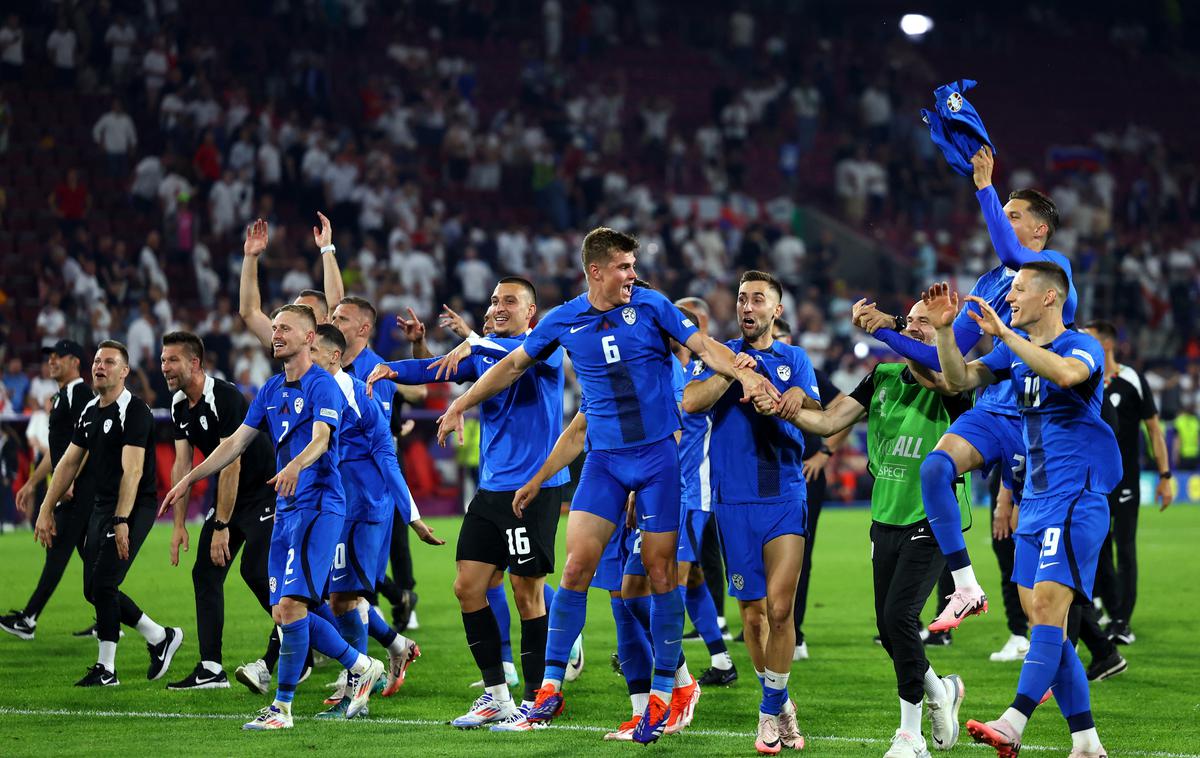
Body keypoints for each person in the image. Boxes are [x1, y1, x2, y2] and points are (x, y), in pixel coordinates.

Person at [439, 227, 778, 743]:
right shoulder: (564, 319)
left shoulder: (652, 305)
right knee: (575, 568)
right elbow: (511, 366)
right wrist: (460, 403)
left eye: (633, 266)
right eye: (623, 267)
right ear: (595, 271)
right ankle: (548, 690)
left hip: (658, 460)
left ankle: (663, 696)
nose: (632, 275)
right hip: (604, 464)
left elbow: (703, 344)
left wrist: (747, 376)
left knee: (661, 575)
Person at [859, 146, 1079, 633]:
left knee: (1039, 576)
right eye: (1001, 212)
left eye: (1012, 214)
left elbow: (1011, 254)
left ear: (1039, 229)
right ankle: (964, 584)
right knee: (935, 469)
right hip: (996, 405)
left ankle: (1068, 656)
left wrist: (984, 185)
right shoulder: (987, 282)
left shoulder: (1054, 269)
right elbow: (948, 358)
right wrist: (887, 329)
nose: (1001, 220)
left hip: (1043, 420)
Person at [161, 305, 385, 730]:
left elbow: (322, 438)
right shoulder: (269, 390)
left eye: (286, 328)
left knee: (288, 605)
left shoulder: (324, 386)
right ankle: (361, 665)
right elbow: (233, 446)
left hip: (319, 506)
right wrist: (187, 480)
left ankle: (282, 709)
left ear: (309, 339)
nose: (277, 333)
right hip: (285, 510)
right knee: (285, 611)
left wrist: (296, 465)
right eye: (275, 327)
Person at [925, 266, 1118, 758]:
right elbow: (957, 379)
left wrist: (1007, 335)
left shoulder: (1081, 346)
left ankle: (1013, 722)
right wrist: (947, 332)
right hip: (1035, 503)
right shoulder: (1013, 349)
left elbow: (1067, 375)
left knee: (1050, 617)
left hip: (1076, 501)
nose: (1008, 297)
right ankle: (1087, 743)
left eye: (1017, 290)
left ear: (1049, 297)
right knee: (1043, 625)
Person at [368, 278, 570, 731]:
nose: (499, 306)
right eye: (495, 300)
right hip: (492, 488)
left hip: (533, 487)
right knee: (468, 586)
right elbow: (436, 369)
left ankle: (538, 703)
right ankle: (497, 696)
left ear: (530, 311)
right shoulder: (481, 351)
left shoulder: (549, 347)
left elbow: (516, 363)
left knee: (526, 593)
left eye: (509, 301)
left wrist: (473, 342)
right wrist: (390, 368)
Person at [781, 298, 969, 758]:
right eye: (914, 322)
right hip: (884, 517)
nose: (918, 329)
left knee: (899, 619)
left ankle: (910, 736)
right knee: (889, 632)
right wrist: (780, 408)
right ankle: (940, 689)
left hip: (932, 518)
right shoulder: (881, 378)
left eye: (929, 323)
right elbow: (828, 422)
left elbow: (939, 377)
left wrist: (890, 332)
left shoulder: (955, 381)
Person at [682, 271, 818, 753]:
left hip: (783, 494)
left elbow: (816, 411)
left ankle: (766, 712)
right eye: (742, 298)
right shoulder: (718, 355)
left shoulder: (795, 358)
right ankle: (780, 703)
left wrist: (799, 396)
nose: (748, 306)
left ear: (776, 311)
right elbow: (690, 403)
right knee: (754, 616)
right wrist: (732, 372)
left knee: (782, 610)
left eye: (758, 299)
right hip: (733, 500)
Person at [309, 324, 440, 717]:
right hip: (333, 508)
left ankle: (357, 696)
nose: (307, 357)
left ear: (334, 355)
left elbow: (387, 459)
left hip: (363, 510)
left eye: (313, 350)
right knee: (333, 596)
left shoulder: (360, 397)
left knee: (346, 598)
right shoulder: (310, 390)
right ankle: (396, 647)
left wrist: (413, 517)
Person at [35, 341, 182, 687]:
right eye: (97, 360)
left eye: (109, 361)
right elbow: (69, 461)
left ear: (124, 371)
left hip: (134, 506)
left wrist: (121, 521)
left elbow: (132, 472)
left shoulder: (135, 411)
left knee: (103, 583)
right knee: (94, 589)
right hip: (102, 505)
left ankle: (107, 669)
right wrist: (46, 507)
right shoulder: (89, 410)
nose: (100, 366)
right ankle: (160, 636)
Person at [157, 331, 280, 691]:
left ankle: (298, 635)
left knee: (256, 572)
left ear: (194, 363)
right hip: (231, 499)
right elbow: (182, 466)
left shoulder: (225, 397)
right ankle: (211, 668)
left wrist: (222, 525)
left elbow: (232, 464)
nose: (165, 367)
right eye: (163, 360)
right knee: (205, 574)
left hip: (264, 492)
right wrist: (179, 524)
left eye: (172, 360)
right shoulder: (180, 404)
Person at [1081, 320, 1173, 646]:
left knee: (1125, 547)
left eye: (1087, 339)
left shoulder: (1131, 379)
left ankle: (1121, 621)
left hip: (1126, 481)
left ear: (1105, 344)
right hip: (1092, 482)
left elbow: (1154, 430)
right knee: (1098, 548)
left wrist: (1164, 476)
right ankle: (1107, 605)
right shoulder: (1082, 379)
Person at [772, 316, 851, 661]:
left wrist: (825, 452)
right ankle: (765, 623)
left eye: (780, 336)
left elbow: (845, 406)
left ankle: (796, 630)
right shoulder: (754, 370)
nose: (775, 342)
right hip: (766, 475)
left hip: (804, 474)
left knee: (798, 556)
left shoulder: (805, 373)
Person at [2, 341, 93, 640]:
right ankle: (111, 619)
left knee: (57, 550)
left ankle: (29, 618)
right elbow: (58, 453)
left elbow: (87, 445)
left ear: (75, 362)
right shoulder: (63, 396)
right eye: (49, 358)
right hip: (68, 487)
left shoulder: (80, 394)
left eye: (58, 357)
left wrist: (71, 481)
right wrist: (31, 483)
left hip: (77, 491)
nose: (51, 362)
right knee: (93, 565)